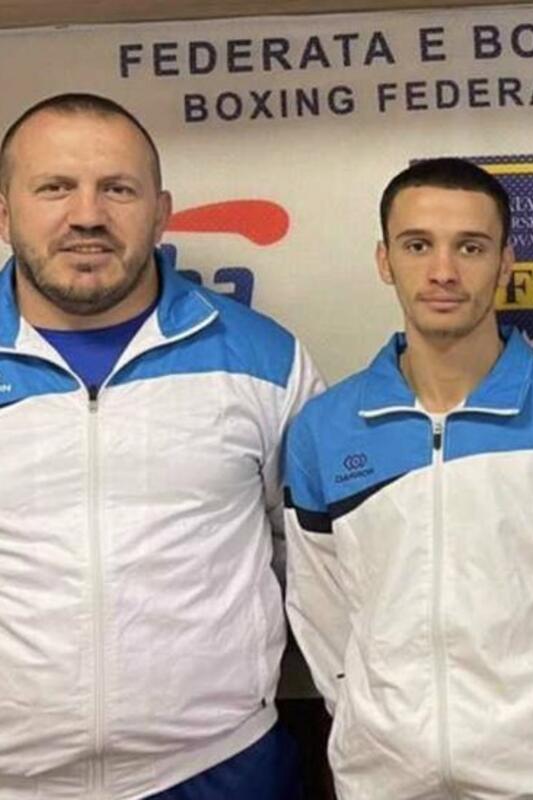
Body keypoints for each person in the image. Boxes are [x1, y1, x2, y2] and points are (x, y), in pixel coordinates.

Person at [283, 157, 533, 799]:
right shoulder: (326, 429)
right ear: (384, 260)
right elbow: (322, 613)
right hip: (385, 780)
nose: (443, 271)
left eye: (470, 247)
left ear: (505, 262)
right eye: (418, 245)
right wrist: (375, 725)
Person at [0, 93, 319, 799]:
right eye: (54, 188)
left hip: (219, 767)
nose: (87, 214)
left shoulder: (264, 360)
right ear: (4, 213)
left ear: (161, 211)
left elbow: (315, 562)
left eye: (118, 189)